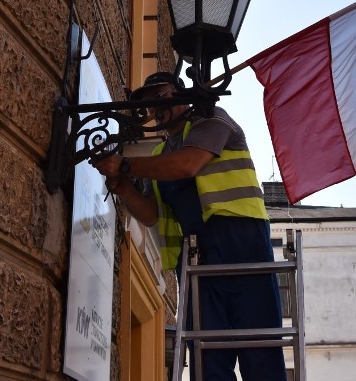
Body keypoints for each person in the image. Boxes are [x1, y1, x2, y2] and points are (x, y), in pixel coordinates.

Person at [91, 72, 286, 381]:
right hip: (196, 253)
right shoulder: (159, 154)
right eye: (152, 103)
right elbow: (153, 213)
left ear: (182, 96)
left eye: (164, 96)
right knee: (206, 357)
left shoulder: (212, 120)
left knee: (258, 347)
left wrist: (125, 165)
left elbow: (187, 165)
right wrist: (125, 188)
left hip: (242, 242)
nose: (158, 107)